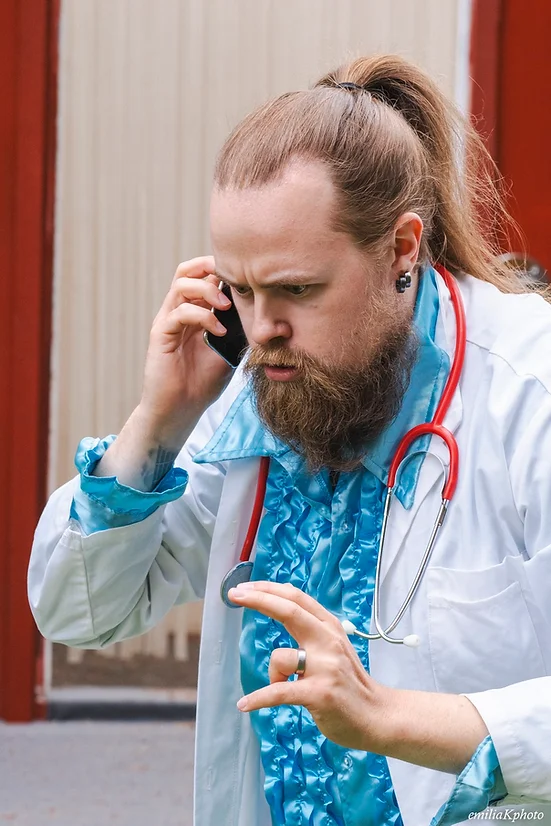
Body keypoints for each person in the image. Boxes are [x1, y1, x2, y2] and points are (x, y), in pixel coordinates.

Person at [28, 55, 551, 826]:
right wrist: (160, 422)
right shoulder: (258, 397)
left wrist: (386, 717)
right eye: (240, 289)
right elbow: (77, 612)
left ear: (402, 250)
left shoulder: (527, 388)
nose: (261, 329)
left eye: (296, 290)